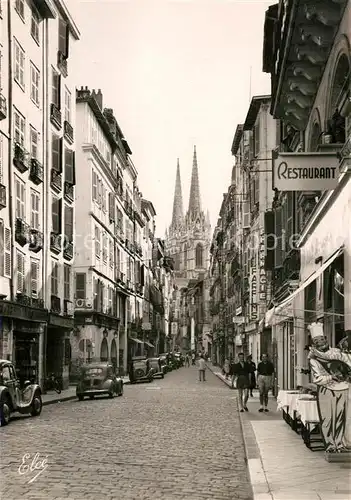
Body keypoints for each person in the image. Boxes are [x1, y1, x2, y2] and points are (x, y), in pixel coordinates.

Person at [307, 323, 351, 452]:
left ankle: (339, 444)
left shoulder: (338, 352)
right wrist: (331, 377)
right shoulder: (313, 359)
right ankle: (330, 445)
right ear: (313, 344)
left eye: (322, 339)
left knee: (340, 418)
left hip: (343, 388)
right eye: (316, 341)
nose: (320, 342)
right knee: (327, 419)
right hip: (326, 390)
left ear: (326, 339)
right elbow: (317, 378)